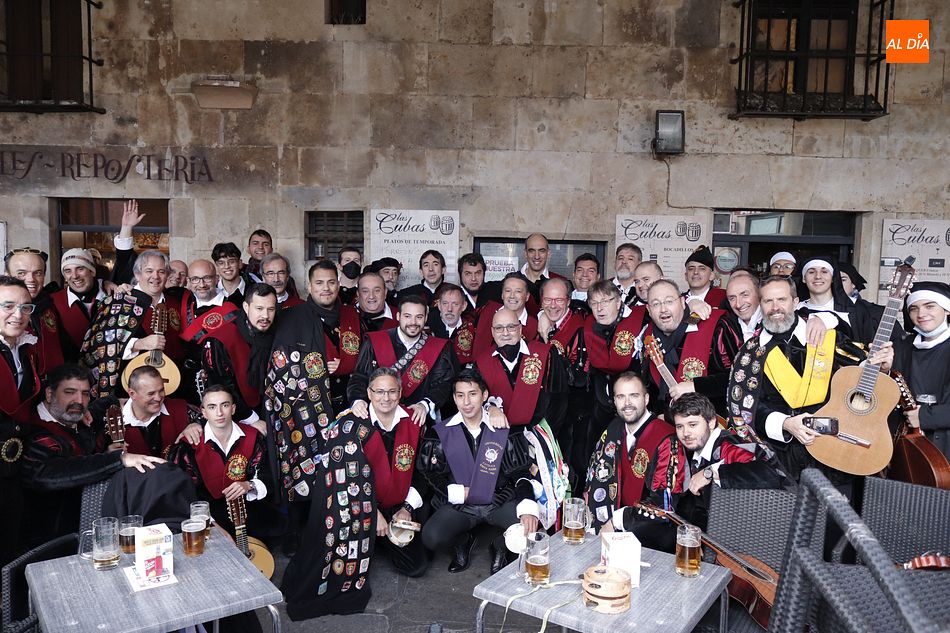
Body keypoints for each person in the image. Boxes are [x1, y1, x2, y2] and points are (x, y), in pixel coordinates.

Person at [726, 276, 893, 485]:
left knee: (834, 515)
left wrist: (881, 367)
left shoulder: (827, 338)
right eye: (768, 301)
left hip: (833, 451)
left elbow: (861, 376)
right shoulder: (749, 353)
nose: (775, 307)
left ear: (795, 303)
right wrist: (786, 424)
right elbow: (742, 409)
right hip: (779, 457)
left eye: (782, 300)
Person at [604, 393, 783, 551]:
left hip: (754, 542)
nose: (686, 433)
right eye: (680, 426)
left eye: (693, 424)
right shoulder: (689, 451)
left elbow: (770, 474)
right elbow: (667, 505)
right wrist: (623, 518)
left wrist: (711, 472)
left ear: (711, 422)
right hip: (710, 537)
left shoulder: (729, 445)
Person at [21, 364, 164, 546]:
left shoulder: (77, 416)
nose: (79, 401)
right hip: (54, 541)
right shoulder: (35, 432)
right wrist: (117, 459)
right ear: (49, 394)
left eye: (86, 394)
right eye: (69, 392)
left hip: (98, 527)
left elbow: (105, 403)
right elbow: (49, 473)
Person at [417, 369, 538, 573]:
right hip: (461, 506)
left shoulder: (502, 428)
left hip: (498, 500)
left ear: (484, 396)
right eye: (460, 395)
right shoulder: (439, 433)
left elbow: (521, 472)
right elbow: (429, 474)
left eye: (472, 394)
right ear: (454, 399)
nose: (467, 402)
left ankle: (501, 545)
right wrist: (454, 492)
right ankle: (463, 541)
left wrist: (527, 508)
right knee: (431, 537)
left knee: (533, 533)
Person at [168, 385, 269, 537]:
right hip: (207, 516)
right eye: (212, 407)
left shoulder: (253, 437)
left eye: (225, 405)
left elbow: (266, 472)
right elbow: (182, 492)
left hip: (250, 511)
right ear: (204, 412)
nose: (219, 413)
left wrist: (249, 485)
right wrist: (210, 523)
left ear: (233, 409)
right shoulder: (189, 445)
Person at [356, 368, 428, 577]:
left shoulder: (416, 422)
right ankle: (375, 537)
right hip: (361, 505)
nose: (385, 398)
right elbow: (347, 477)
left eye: (391, 391)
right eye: (379, 392)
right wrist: (373, 512)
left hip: (398, 506)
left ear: (400, 392)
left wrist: (406, 508)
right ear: (369, 393)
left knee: (416, 566)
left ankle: (382, 541)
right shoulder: (353, 424)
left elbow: (423, 472)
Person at [585, 373, 674, 531]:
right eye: (620, 397)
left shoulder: (665, 437)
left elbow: (664, 504)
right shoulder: (614, 427)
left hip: (650, 533)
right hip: (611, 528)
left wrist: (617, 522)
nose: (627, 403)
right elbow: (595, 474)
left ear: (646, 399)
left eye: (634, 396)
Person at [348, 294, 458, 423]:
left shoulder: (440, 348)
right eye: (407, 316)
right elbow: (359, 377)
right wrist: (358, 400)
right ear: (398, 316)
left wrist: (425, 404)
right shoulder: (374, 342)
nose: (413, 323)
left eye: (419, 317)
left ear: (426, 318)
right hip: (378, 418)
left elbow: (444, 385)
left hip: (418, 419)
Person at [640, 279, 738, 418]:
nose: (663, 309)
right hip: (666, 425)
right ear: (649, 310)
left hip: (712, 423)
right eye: (656, 304)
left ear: (682, 302)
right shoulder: (648, 335)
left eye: (669, 301)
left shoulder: (715, 327)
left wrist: (697, 386)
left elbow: (737, 377)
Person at [0, 276, 40, 565]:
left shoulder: (24, 349)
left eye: (25, 307)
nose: (18, 314)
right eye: (8, 306)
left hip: (14, 467)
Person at [474, 307, 568, 429]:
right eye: (499, 328)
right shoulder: (482, 362)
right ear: (492, 332)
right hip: (498, 437)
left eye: (511, 327)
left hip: (538, 435)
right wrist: (490, 408)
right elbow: (476, 401)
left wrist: (544, 438)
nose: (505, 333)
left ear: (519, 328)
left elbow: (559, 403)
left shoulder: (545, 354)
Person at [201, 283, 277, 429]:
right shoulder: (223, 339)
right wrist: (252, 419)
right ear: (246, 307)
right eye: (259, 309)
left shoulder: (277, 333)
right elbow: (221, 387)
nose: (265, 316)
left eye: (271, 309)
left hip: (273, 409)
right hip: (238, 416)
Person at [799, 257, 901, 345]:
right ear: (804, 278)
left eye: (824, 271)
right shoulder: (796, 309)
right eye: (811, 272)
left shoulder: (860, 310)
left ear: (833, 278)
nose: (818, 276)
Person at [899, 281, 950, 460]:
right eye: (913, 308)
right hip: (907, 445)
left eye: (929, 306)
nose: (921, 314)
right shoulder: (902, 347)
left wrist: (924, 416)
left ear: (947, 309)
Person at [114, 365, 203, 458]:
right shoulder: (111, 422)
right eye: (151, 393)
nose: (158, 398)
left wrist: (197, 424)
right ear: (132, 394)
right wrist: (109, 455)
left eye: (161, 390)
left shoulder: (179, 407)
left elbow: (209, 416)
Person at [4, 247, 63, 376]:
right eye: (21, 273)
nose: (31, 279)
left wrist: (103, 284)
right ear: (7, 276)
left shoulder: (51, 304)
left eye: (38, 273)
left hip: (53, 387)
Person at [50, 248, 106, 362]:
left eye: (80, 268)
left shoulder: (113, 295)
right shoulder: (53, 302)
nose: (74, 276)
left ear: (92, 271)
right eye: (68, 271)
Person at [472, 273, 539, 353]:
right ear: (502, 295)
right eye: (508, 291)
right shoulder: (486, 311)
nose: (512, 296)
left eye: (518, 291)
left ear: (527, 296)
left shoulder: (535, 326)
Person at [427, 283, 476, 365]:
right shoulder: (427, 326)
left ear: (464, 306)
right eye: (445, 303)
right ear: (439, 305)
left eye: (455, 304)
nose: (449, 309)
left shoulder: (473, 328)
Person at [611, 243, 642, 307]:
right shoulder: (603, 287)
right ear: (615, 262)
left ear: (639, 264)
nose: (624, 262)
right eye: (620, 258)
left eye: (630, 259)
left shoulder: (643, 289)